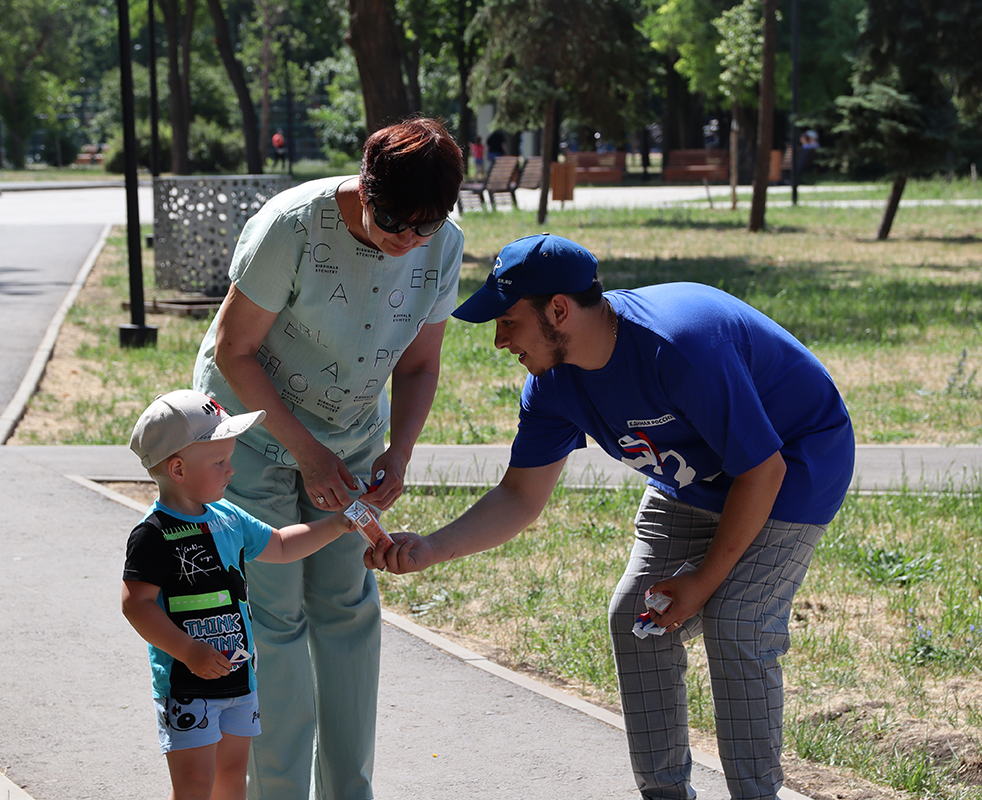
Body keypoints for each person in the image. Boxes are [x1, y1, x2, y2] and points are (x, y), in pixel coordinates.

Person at [366, 233, 855, 800]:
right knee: (636, 619)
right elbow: (522, 495)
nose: (500, 341)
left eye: (507, 322)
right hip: (694, 481)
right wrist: (431, 548)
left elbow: (761, 472)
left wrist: (702, 582)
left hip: (792, 463)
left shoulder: (678, 347)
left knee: (737, 620)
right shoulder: (552, 383)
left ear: (558, 309)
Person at [192, 116, 464, 800]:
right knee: (273, 620)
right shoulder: (294, 225)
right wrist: (305, 453)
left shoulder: (442, 245)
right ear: (365, 187)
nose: (406, 241)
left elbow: (422, 362)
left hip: (349, 442)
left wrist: (399, 453)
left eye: (423, 227)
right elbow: (233, 348)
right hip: (246, 439)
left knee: (348, 609)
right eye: (393, 220)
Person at [122, 389, 362, 800]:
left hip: (238, 677)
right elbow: (136, 604)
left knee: (232, 777)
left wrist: (336, 525)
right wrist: (188, 651)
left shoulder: (227, 517)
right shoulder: (152, 533)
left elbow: (283, 544)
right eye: (220, 462)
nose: (231, 471)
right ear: (177, 468)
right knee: (195, 784)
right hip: (187, 683)